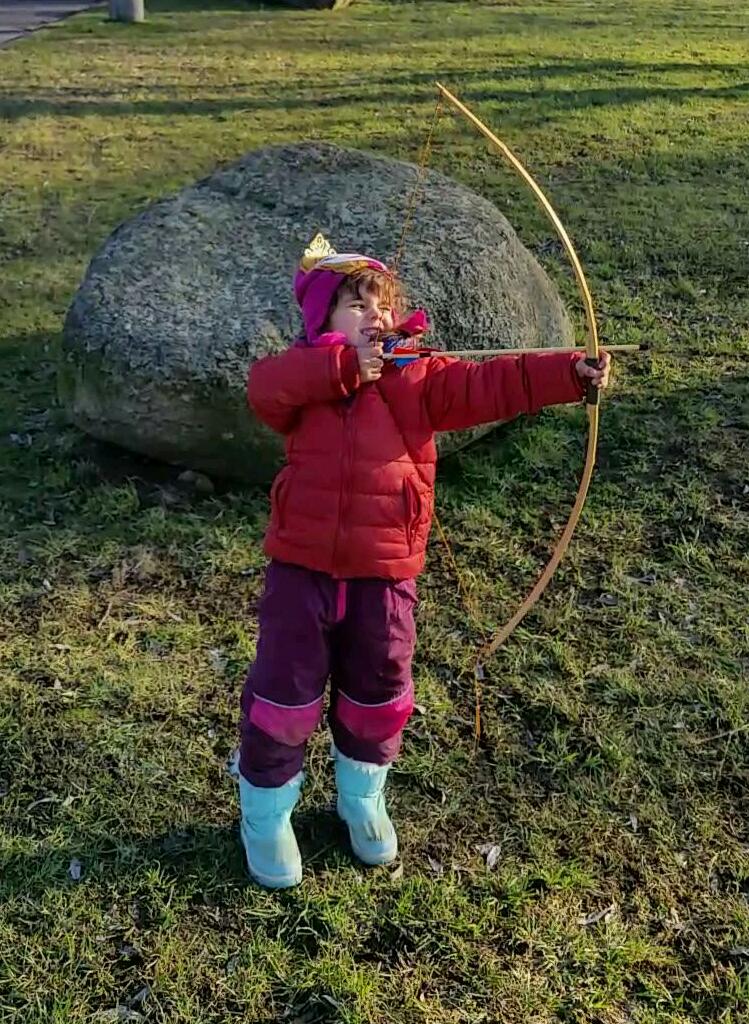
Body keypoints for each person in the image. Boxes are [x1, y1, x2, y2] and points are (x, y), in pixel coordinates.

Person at [239, 234, 610, 888]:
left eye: (383, 305)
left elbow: (492, 382)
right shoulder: (304, 375)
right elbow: (266, 389)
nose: (375, 316)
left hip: (386, 574)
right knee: (283, 694)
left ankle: (362, 798)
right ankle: (265, 814)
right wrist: (345, 366)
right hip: (301, 571)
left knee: (379, 690)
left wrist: (568, 373)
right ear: (323, 318)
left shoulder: (418, 373)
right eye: (357, 305)